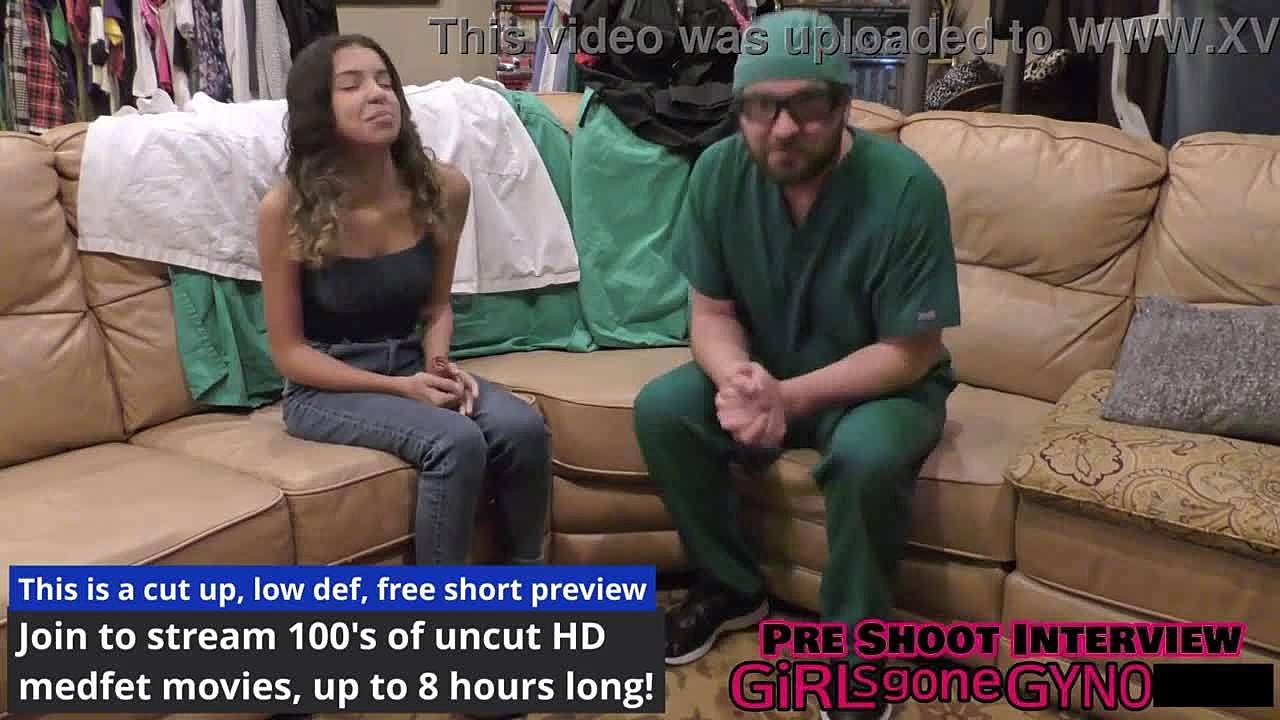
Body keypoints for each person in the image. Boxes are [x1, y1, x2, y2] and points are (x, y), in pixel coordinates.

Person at [632, 10, 961, 720]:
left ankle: (857, 654)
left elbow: (911, 350)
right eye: (761, 107)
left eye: (806, 105)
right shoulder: (719, 172)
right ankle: (729, 586)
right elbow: (711, 313)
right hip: (768, 372)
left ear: (843, 105)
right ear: (740, 111)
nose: (782, 129)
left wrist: (787, 396)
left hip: (879, 387)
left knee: (869, 455)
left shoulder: (906, 187)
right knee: (663, 410)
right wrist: (737, 378)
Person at [257, 32, 551, 693]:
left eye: (384, 80)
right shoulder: (285, 210)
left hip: (411, 364)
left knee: (522, 427)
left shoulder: (443, 188)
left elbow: (437, 306)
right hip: (326, 384)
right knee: (454, 442)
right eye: (352, 84)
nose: (377, 95)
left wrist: (439, 364)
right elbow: (289, 353)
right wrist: (398, 387)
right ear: (319, 108)